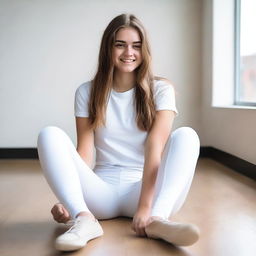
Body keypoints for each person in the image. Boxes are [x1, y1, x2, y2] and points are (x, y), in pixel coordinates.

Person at [37, 13, 200, 252]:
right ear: (108, 49)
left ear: (144, 50)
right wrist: (67, 199)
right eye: (120, 45)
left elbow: (155, 146)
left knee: (188, 136)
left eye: (136, 46)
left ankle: (158, 220)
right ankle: (83, 219)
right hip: (101, 194)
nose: (128, 53)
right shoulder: (87, 92)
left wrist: (145, 208)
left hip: (148, 193)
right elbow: (84, 150)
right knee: (48, 134)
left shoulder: (161, 90)